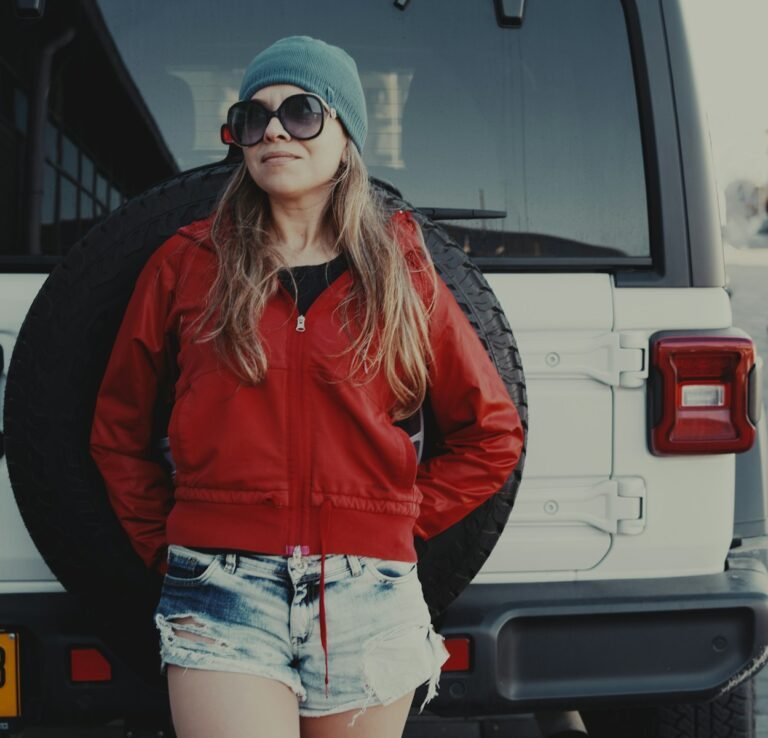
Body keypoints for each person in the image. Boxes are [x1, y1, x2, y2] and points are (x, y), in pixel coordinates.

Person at [89, 36, 523, 738]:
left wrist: (393, 518)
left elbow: (492, 434)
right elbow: (117, 431)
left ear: (346, 131)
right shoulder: (187, 263)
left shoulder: (401, 273)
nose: (273, 133)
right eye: (252, 119)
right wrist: (168, 543)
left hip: (371, 599)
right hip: (220, 590)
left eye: (299, 111)